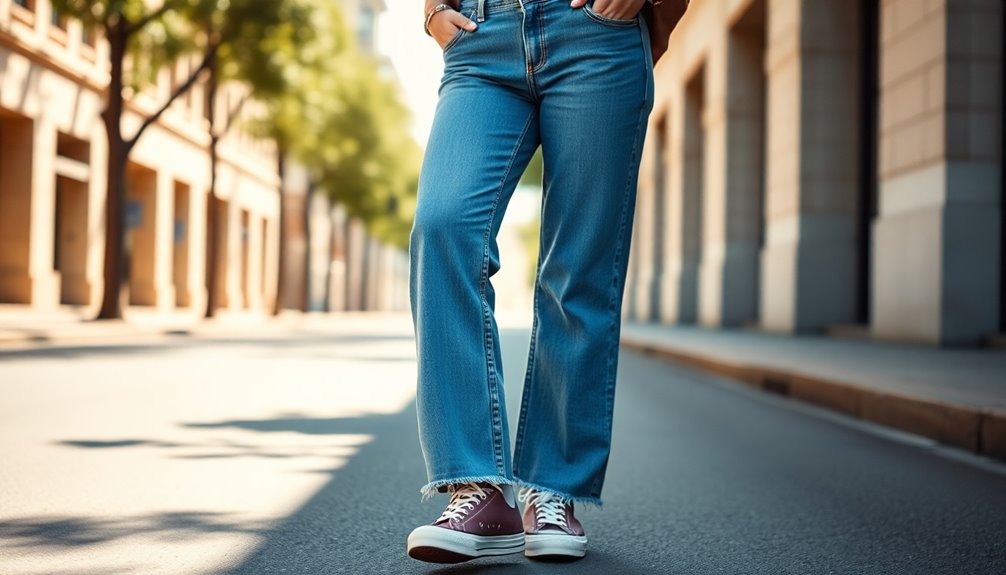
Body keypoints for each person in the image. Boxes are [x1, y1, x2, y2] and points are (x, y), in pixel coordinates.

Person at [406, 0, 685, 564]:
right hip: (481, 38)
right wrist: (432, 8)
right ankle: (476, 487)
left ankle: (552, 488)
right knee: (442, 227)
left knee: (577, 268)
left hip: (595, 33)